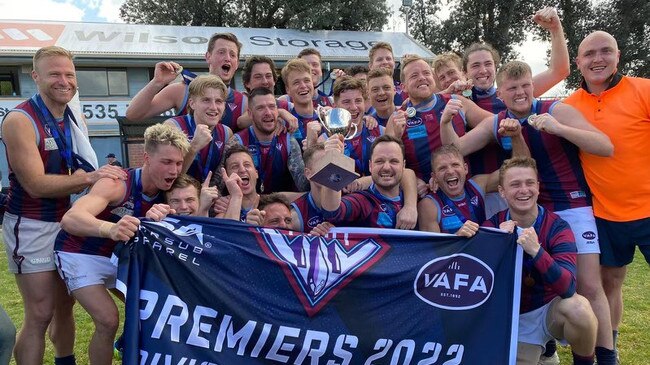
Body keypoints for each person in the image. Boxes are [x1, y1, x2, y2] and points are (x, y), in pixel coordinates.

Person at [442, 60, 616, 365]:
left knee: (588, 284)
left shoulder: (554, 109)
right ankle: (545, 341)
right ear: (501, 94)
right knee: (527, 270)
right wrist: (446, 121)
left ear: (533, 87)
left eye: (525, 86)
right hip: (525, 203)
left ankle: (605, 356)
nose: (521, 93)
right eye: (512, 88)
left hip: (569, 203)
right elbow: (455, 148)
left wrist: (559, 128)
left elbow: (605, 145)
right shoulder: (498, 121)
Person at [1, 45, 126, 365]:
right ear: (35, 77)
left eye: (69, 74)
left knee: (65, 307)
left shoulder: (75, 116)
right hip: (32, 223)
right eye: (55, 73)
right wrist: (90, 178)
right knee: (40, 314)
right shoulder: (19, 119)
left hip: (69, 221)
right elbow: (35, 184)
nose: (64, 80)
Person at [53, 123, 189, 365]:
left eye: (178, 163)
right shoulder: (117, 182)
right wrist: (111, 228)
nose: (174, 170)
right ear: (146, 158)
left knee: (158, 308)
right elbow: (70, 218)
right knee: (107, 319)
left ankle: (126, 346)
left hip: (119, 259)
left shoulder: (168, 191)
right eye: (167, 162)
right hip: (80, 253)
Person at [564, 30, 650, 362]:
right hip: (606, 213)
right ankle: (608, 349)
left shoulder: (643, 90)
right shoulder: (571, 105)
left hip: (648, 208)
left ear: (618, 56)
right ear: (578, 63)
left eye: (605, 52)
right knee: (610, 282)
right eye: (589, 54)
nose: (598, 59)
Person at [481, 156, 597, 365]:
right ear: (502, 192)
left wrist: (537, 251)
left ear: (538, 187)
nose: (524, 190)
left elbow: (568, 287)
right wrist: (495, 244)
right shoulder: (492, 226)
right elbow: (480, 283)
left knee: (579, 309)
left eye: (529, 183)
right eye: (515, 184)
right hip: (513, 318)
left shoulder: (557, 226)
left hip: (547, 311)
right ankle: (544, 353)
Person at [389, 55, 491, 194]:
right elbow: (387, 164)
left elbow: (497, 124)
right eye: (414, 75)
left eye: (426, 73)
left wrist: (467, 143)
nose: (422, 78)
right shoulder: (397, 118)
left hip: (465, 195)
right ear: (404, 87)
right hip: (424, 197)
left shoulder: (457, 102)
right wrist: (411, 182)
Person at [126, 33, 247, 132]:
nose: (227, 58)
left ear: (237, 64)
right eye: (221, 52)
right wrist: (156, 82)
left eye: (232, 55)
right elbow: (133, 115)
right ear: (208, 57)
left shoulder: (243, 102)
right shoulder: (182, 90)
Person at [320, 135, 418, 229]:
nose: (387, 167)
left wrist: (411, 207)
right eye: (379, 161)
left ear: (403, 165)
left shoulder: (415, 199)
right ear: (370, 166)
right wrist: (333, 163)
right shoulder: (362, 201)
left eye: (394, 161)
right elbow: (332, 212)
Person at [231, 87, 308, 194]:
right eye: (260, 108)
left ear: (278, 111)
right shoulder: (237, 142)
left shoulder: (289, 141)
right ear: (250, 113)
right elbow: (223, 185)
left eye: (272, 107)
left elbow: (303, 185)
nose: (268, 112)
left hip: (281, 206)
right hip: (248, 206)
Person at [418, 144, 506, 235]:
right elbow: (432, 247)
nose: (450, 171)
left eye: (455, 165)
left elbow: (512, 172)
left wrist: (516, 137)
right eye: (442, 168)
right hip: (456, 249)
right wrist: (457, 237)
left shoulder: (477, 185)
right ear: (434, 177)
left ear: (465, 168)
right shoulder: (428, 205)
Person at [164, 74, 232, 183]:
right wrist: (193, 147)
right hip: (179, 197)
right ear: (192, 103)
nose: (213, 107)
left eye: (218, 101)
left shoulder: (226, 133)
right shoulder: (173, 127)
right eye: (206, 100)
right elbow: (167, 177)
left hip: (211, 196)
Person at [280, 58, 320, 148]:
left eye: (307, 80)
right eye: (296, 82)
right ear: (288, 90)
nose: (303, 86)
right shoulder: (282, 124)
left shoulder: (325, 120)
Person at [216, 144, 261, 222]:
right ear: (226, 177)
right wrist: (236, 196)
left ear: (256, 173)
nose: (242, 170)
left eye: (247, 165)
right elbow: (224, 233)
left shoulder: (270, 204)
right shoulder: (222, 208)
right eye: (235, 166)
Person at [368, 42, 408, 106]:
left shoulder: (405, 90)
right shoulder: (362, 94)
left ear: (394, 63)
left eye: (388, 58)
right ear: (370, 66)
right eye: (379, 59)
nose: (385, 62)